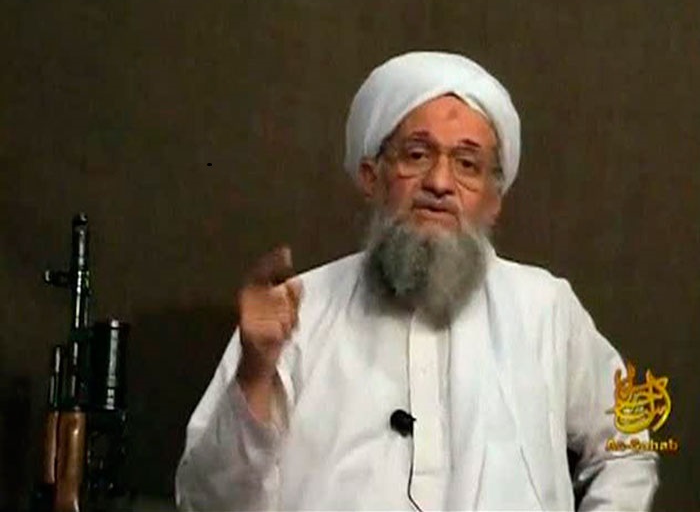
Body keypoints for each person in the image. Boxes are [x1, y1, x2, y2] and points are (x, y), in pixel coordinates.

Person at [175, 51, 659, 511]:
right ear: (371, 177)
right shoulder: (298, 312)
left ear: (495, 199)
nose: (440, 183)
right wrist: (255, 373)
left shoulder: (546, 310)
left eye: (467, 164)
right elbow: (207, 502)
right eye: (417, 155)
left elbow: (628, 444)